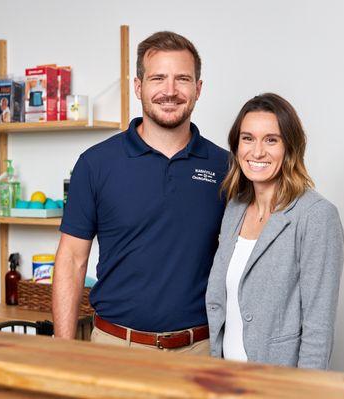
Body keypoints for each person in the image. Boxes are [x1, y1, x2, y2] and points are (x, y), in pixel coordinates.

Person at [52, 31, 228, 355]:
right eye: (158, 78)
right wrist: (64, 352)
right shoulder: (96, 164)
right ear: (138, 86)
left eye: (183, 79)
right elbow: (72, 260)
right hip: (116, 347)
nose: (170, 91)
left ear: (198, 89)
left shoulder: (225, 166)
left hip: (200, 350)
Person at [205, 93, 343, 369]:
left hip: (278, 382)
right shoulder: (234, 208)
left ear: (289, 147)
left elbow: (318, 326)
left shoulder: (316, 216)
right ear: (236, 145)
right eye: (248, 138)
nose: (257, 152)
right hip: (226, 377)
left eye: (271, 140)